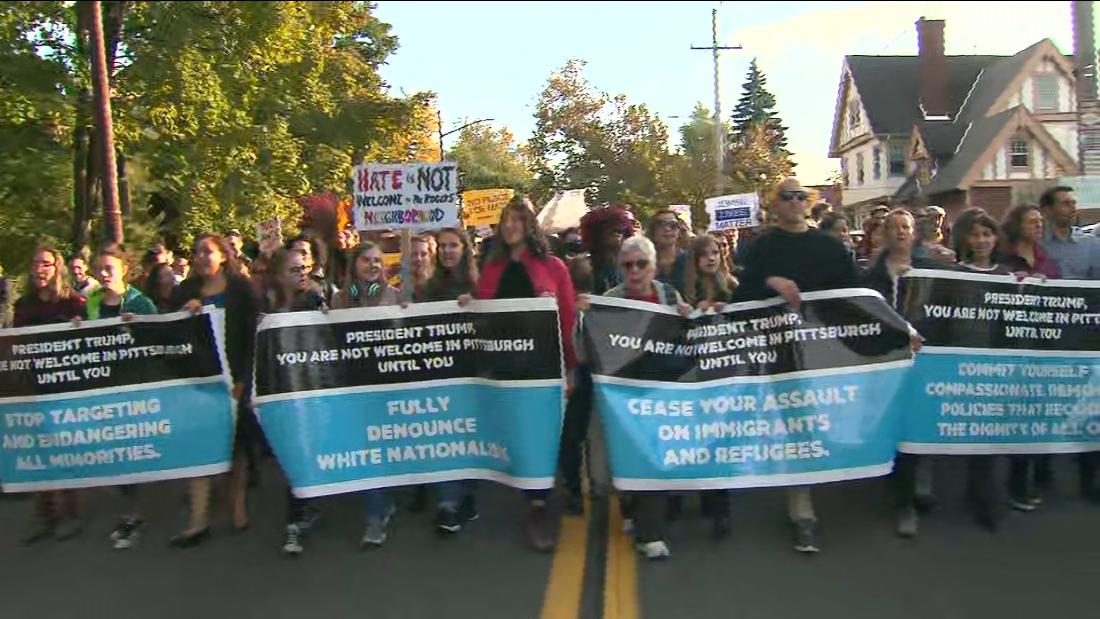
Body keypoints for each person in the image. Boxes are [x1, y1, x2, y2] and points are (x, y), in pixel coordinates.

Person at [732, 178, 861, 554]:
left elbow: (855, 295)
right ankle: (801, 506)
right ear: (776, 204)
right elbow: (742, 299)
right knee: (797, 421)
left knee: (825, 418)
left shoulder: (830, 246)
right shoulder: (762, 248)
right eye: (786, 197)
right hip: (780, 351)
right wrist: (769, 281)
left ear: (810, 202)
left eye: (800, 196)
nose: (793, 202)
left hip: (824, 350)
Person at [476, 195, 577, 552]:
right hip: (504, 370)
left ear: (529, 226)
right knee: (517, 432)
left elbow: (566, 321)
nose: (510, 225)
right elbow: (481, 318)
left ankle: (539, 505)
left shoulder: (553, 267)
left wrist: (569, 369)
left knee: (543, 433)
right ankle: (526, 493)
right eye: (506, 219)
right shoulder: (490, 268)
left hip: (543, 369)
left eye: (518, 219)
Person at [597, 235, 692, 560]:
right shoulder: (610, 299)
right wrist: (587, 317)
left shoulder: (668, 295)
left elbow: (687, 337)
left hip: (662, 391)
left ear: (653, 267)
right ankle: (634, 510)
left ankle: (649, 533)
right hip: (625, 394)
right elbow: (591, 347)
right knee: (631, 458)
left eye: (641, 264)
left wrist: (689, 317)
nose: (635, 271)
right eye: (628, 265)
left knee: (654, 458)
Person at [170, 234, 260, 547]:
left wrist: (243, 379)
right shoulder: (184, 291)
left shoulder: (240, 289)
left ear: (223, 255)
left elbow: (253, 335)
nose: (201, 257)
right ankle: (198, 520)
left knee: (235, 446)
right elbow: (168, 332)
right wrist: (185, 314)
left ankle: (237, 505)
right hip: (198, 380)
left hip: (234, 377)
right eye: (196, 253)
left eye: (207, 251)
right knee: (199, 447)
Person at [862, 210, 942, 538]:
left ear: (913, 233)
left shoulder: (933, 268)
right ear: (883, 233)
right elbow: (865, 318)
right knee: (897, 427)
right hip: (890, 360)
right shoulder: (871, 276)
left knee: (920, 422)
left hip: (924, 359)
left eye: (905, 227)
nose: (900, 232)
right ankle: (904, 501)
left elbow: (945, 308)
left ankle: (922, 482)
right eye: (893, 227)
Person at [84, 245, 158, 549]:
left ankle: (132, 516)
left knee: (129, 455)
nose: (103, 274)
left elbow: (157, 340)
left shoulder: (140, 302)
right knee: (112, 455)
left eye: (109, 268)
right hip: (103, 385)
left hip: (133, 385)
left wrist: (136, 330)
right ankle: (128, 511)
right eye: (99, 268)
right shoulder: (92, 301)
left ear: (123, 269)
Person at [411, 228, 483, 533]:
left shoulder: (480, 283)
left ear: (465, 249)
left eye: (453, 245)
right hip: (441, 373)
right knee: (448, 437)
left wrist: (477, 304)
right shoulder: (430, 287)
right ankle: (448, 504)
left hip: (475, 374)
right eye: (442, 246)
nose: (447, 251)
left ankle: (465, 497)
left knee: (470, 438)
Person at [13, 246, 87, 543]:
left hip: (64, 387)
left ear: (57, 268)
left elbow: (91, 344)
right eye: (35, 264)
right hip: (33, 386)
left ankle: (68, 513)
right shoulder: (24, 304)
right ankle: (44, 514)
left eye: (46, 264)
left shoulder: (72, 302)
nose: (39, 269)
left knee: (63, 449)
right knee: (39, 449)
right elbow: (15, 344)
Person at [331, 242, 402, 548]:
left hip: (386, 384)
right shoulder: (339, 298)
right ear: (354, 265)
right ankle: (378, 510)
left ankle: (379, 509)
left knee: (382, 445)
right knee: (369, 447)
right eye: (366, 260)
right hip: (353, 384)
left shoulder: (396, 296)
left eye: (377, 260)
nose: (373, 265)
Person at [259, 249, 328, 556]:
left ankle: (302, 509)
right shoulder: (263, 306)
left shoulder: (314, 298)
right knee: (291, 452)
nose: (301, 273)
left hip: (309, 388)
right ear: (277, 275)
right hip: (278, 391)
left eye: (304, 268)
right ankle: (295, 518)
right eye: (293, 269)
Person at [950, 208, 1011, 531]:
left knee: (992, 434)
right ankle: (980, 494)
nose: (982, 240)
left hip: (997, 364)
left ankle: (985, 494)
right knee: (974, 432)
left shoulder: (1007, 275)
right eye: (975, 234)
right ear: (965, 239)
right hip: (962, 362)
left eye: (987, 233)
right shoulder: (952, 275)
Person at [998, 205, 1058, 512]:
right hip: (1013, 351)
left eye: (1040, 221)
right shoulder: (1003, 261)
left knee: (1042, 415)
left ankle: (1042, 474)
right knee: (1020, 420)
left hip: (1044, 350)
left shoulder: (1047, 260)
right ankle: (1017, 483)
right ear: (1017, 226)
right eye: (1032, 221)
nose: (1038, 225)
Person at [682, 233, 738, 539]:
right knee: (695, 441)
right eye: (705, 253)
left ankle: (720, 509)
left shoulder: (734, 288)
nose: (712, 257)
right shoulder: (683, 292)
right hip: (693, 378)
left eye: (716, 252)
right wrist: (692, 314)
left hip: (725, 378)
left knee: (720, 444)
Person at [1039, 185, 1100, 280]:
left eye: (1074, 203)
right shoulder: (1034, 243)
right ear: (1048, 210)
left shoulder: (1090, 244)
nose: (1073, 209)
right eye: (1066, 204)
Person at [580, 205, 637, 294]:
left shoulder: (632, 265)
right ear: (598, 232)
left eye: (622, 231)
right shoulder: (583, 266)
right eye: (614, 230)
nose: (619, 234)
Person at [646, 209, 688, 293]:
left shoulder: (691, 260)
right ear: (652, 230)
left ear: (679, 230)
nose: (667, 229)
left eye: (673, 225)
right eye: (660, 224)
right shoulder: (641, 262)